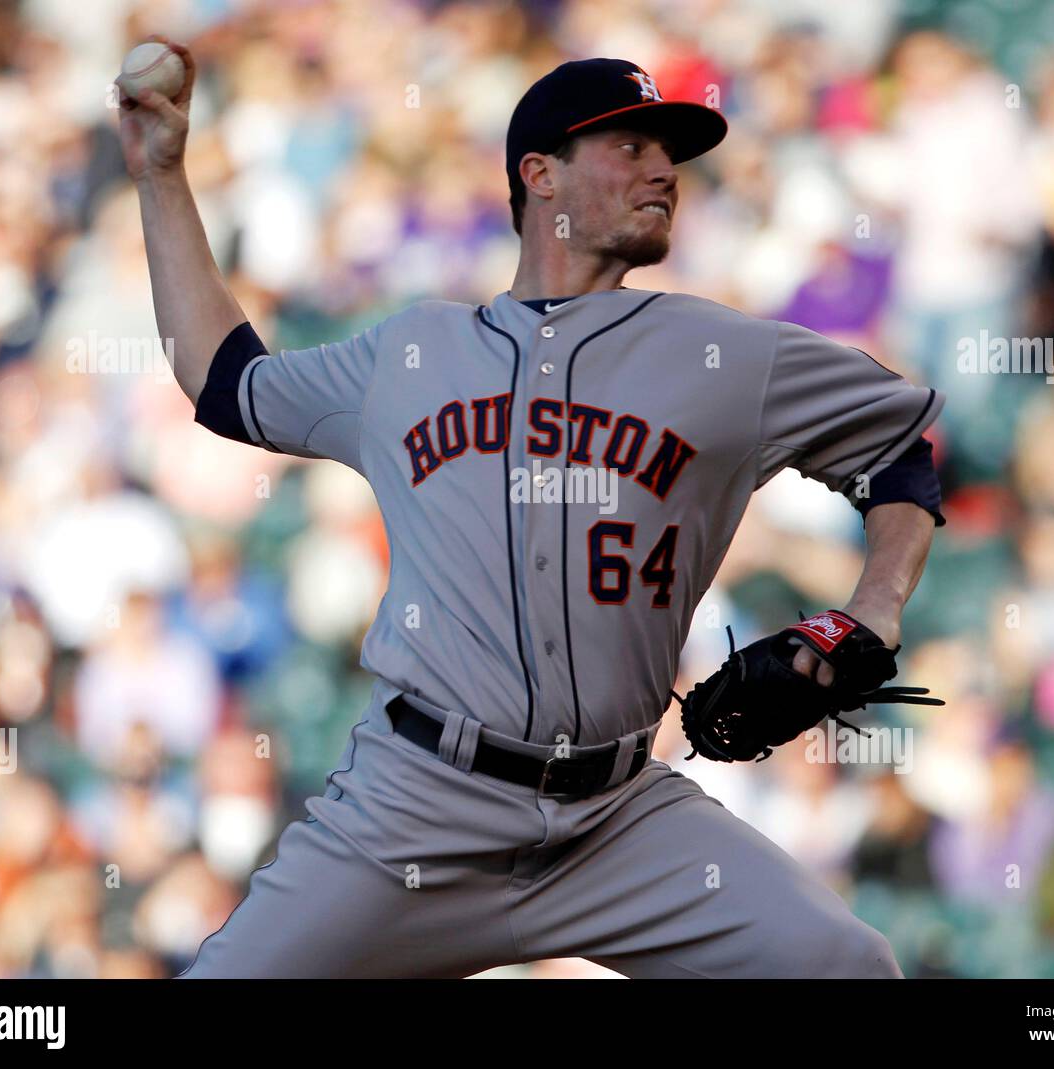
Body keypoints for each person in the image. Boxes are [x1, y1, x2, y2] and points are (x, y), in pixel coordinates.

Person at [118, 40, 945, 978]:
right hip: (417, 806)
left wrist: (872, 606)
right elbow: (226, 383)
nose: (663, 170)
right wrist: (161, 175)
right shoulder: (413, 355)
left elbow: (900, 445)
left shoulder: (726, 356)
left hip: (619, 815)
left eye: (665, 152)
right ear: (539, 175)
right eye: (627, 146)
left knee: (846, 968)